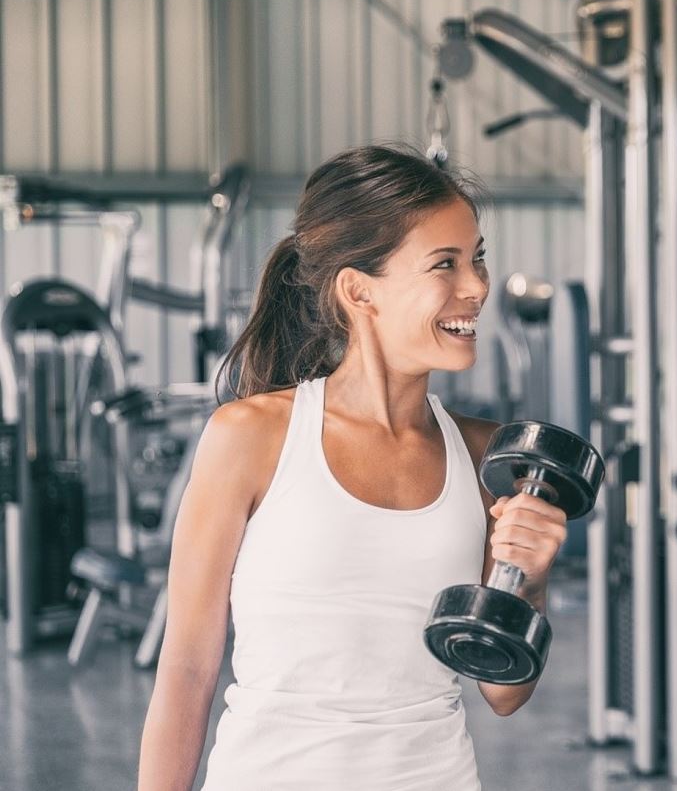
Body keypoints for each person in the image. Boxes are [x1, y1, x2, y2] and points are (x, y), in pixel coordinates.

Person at [138, 145, 569, 791]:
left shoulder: (485, 455)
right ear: (357, 289)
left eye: (476, 256)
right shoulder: (250, 436)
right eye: (444, 263)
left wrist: (530, 582)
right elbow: (188, 667)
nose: (476, 285)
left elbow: (503, 692)